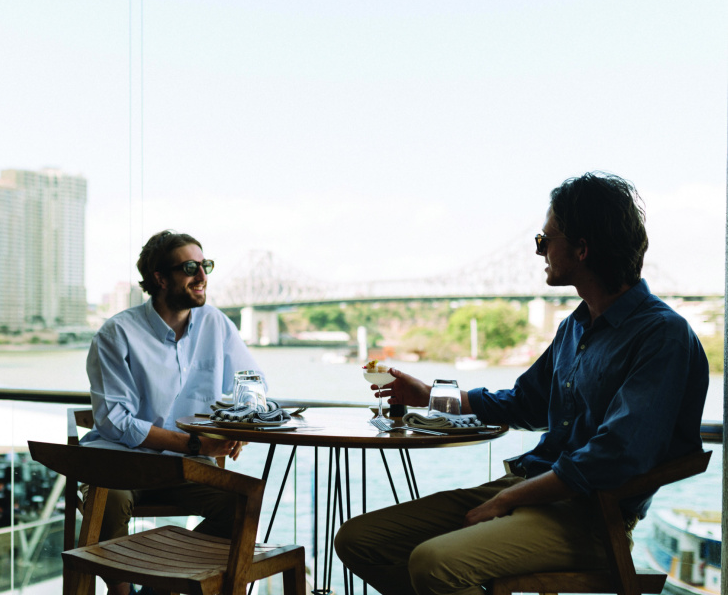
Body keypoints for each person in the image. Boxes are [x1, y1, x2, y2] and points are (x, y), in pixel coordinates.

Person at [334, 172, 709, 595]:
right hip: (532, 488)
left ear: (582, 249)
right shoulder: (576, 327)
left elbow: (617, 455)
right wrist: (432, 397)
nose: (539, 251)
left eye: (544, 240)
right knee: (358, 540)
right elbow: (524, 403)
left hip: (592, 517)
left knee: (433, 564)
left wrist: (507, 500)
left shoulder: (662, 335)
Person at [81, 229, 264, 595]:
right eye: (190, 268)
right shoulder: (116, 334)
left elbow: (254, 385)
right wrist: (195, 445)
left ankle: (159, 589)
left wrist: (239, 425)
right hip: (124, 461)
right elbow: (115, 421)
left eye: (205, 265)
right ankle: (121, 591)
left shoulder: (216, 324)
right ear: (160, 278)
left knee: (243, 505)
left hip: (187, 468)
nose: (203, 276)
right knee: (109, 499)